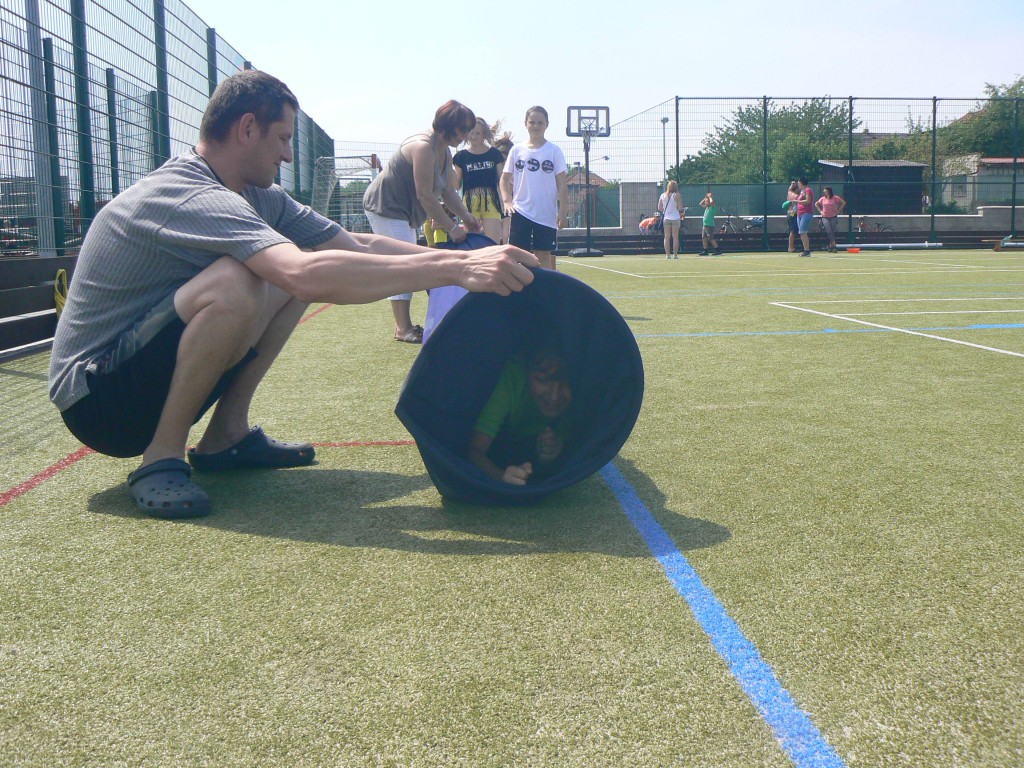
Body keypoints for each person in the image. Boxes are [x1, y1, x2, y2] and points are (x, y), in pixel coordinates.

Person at [47, 70, 538, 519]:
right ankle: (161, 457)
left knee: (286, 265)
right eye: (282, 138)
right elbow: (304, 275)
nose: (287, 154)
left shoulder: (255, 194)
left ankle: (226, 436)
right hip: (98, 402)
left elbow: (356, 246)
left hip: (140, 375)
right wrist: (458, 268)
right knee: (240, 279)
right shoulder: (192, 193)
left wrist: (468, 259)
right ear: (247, 129)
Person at [363, 100, 483, 344]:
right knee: (403, 266)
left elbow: (447, 191)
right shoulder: (423, 147)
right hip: (386, 207)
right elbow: (425, 195)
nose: (465, 135)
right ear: (447, 125)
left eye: (468, 130)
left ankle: (404, 325)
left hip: (405, 212)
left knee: (407, 264)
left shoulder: (445, 150)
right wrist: (452, 228)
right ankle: (403, 329)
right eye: (462, 129)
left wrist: (466, 217)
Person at [468, 344, 574, 485]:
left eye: (565, 383)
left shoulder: (581, 393)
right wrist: (501, 477)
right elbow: (475, 450)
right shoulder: (512, 378)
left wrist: (555, 447)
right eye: (542, 380)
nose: (554, 396)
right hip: (501, 441)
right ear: (526, 370)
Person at [500, 106, 568, 271]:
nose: (535, 126)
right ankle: (519, 286)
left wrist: (563, 212)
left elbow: (562, 185)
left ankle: (544, 286)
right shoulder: (517, 150)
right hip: (521, 211)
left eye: (540, 122)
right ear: (525, 124)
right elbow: (504, 179)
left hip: (546, 213)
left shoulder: (554, 151)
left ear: (547, 125)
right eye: (532, 122)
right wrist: (507, 201)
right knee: (518, 254)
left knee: (543, 254)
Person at [452, 118, 506, 245]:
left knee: (493, 242)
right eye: (471, 132)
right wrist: (448, 170)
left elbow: (501, 179)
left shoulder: (494, 154)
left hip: (491, 200)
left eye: (478, 133)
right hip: (470, 202)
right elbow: (457, 185)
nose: (474, 136)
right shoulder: (460, 156)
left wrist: (505, 199)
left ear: (484, 135)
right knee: (473, 241)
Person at [814, 186, 846, 252]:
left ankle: (831, 247)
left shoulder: (835, 198)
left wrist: (839, 210)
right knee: (828, 231)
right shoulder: (822, 199)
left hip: (833, 217)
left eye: (825, 190)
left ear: (828, 191)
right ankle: (834, 246)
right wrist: (820, 211)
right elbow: (816, 204)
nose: (824, 192)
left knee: (832, 232)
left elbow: (843, 203)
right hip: (825, 217)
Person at [658, 180, 684, 258]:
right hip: (675, 218)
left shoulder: (662, 195)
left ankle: (667, 255)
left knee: (666, 237)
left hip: (666, 218)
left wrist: (666, 211)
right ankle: (675, 255)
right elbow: (680, 208)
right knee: (675, 237)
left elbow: (659, 208)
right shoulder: (677, 195)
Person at [698, 190, 722, 255]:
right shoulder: (707, 208)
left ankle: (718, 250)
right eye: (705, 202)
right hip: (705, 225)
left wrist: (710, 197)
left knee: (710, 238)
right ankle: (705, 251)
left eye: (707, 201)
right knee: (704, 238)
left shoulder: (712, 207)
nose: (705, 203)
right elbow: (700, 203)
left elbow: (712, 202)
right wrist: (705, 198)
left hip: (709, 225)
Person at [795, 177, 814, 257]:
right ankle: (806, 250)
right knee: (801, 232)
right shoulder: (802, 191)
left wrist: (796, 201)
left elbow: (807, 201)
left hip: (806, 213)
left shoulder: (808, 190)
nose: (798, 184)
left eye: (798, 182)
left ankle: (807, 251)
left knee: (802, 231)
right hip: (799, 213)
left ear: (801, 183)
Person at [785, 180, 800, 252]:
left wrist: (792, 184)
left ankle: (790, 247)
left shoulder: (789, 193)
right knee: (793, 231)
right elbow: (797, 207)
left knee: (792, 230)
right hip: (793, 214)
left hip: (789, 213)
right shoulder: (796, 196)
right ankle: (791, 247)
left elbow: (789, 189)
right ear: (796, 189)